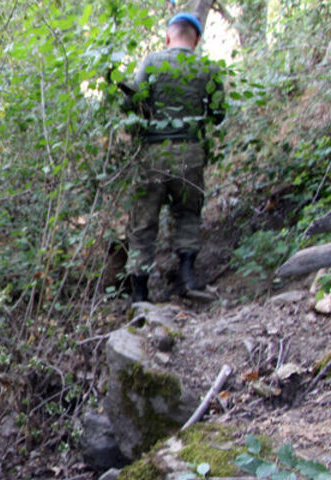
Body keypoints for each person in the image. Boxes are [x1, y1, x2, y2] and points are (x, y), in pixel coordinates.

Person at [124, 12, 226, 302]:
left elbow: (131, 101)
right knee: (187, 213)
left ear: (168, 37)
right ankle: (188, 277)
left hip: (153, 155)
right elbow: (218, 115)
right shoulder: (208, 67)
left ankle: (140, 295)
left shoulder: (152, 61)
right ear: (196, 40)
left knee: (143, 222)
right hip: (189, 153)